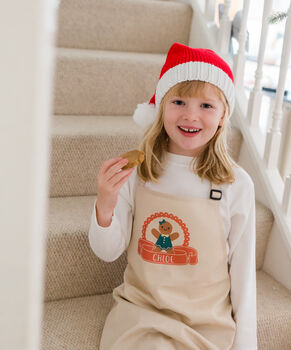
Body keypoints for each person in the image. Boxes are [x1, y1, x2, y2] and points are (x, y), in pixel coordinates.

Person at [88, 42, 257, 350]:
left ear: (223, 116)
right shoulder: (138, 172)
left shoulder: (237, 184)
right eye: (179, 101)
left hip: (205, 321)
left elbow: (243, 272)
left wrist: (246, 344)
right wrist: (105, 204)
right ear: (162, 107)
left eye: (206, 106)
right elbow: (107, 251)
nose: (191, 116)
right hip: (142, 312)